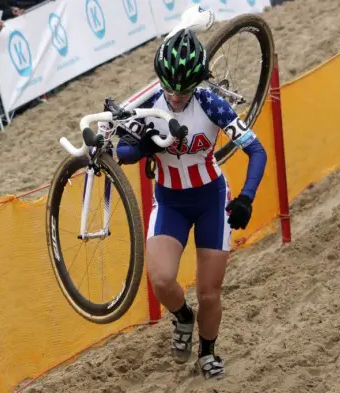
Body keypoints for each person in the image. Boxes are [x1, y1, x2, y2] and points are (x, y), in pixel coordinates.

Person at [114, 29, 267, 379]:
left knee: (209, 293)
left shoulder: (211, 103)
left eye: (184, 90)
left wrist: (246, 197)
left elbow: (256, 150)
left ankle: (208, 351)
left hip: (211, 199)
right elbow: (120, 151)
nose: (176, 96)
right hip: (170, 202)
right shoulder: (149, 105)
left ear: (197, 82)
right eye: (169, 87)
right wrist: (142, 148)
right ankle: (183, 316)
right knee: (162, 280)